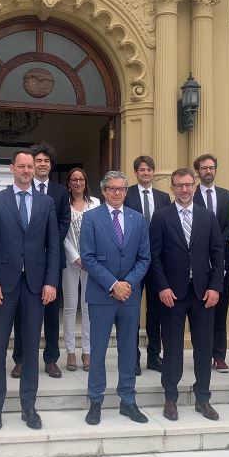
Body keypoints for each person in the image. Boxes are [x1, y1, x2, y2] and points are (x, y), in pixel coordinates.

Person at [0, 149, 59, 431]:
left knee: (30, 349)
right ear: (12, 168)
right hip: (3, 285)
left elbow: (53, 245)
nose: (27, 171)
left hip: (36, 287)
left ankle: (29, 407)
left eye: (30, 167)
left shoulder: (46, 202)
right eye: (22, 166)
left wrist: (51, 281)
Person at [149, 168, 224, 421]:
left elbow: (218, 255)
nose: (184, 189)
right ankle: (171, 397)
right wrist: (162, 287)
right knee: (172, 347)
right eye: (179, 185)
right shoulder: (161, 217)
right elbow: (154, 257)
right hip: (172, 293)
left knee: (204, 347)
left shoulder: (207, 216)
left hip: (203, 294)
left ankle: (203, 397)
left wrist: (215, 287)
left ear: (195, 187)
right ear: (172, 188)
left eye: (188, 185)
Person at [80, 171, 151, 426]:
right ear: (104, 191)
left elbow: (145, 258)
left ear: (126, 191)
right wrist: (113, 284)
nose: (117, 193)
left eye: (122, 189)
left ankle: (128, 400)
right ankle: (96, 399)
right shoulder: (91, 218)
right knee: (98, 350)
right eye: (112, 188)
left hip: (129, 296)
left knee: (128, 350)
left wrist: (127, 284)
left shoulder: (138, 219)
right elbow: (87, 257)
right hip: (101, 294)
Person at [12, 142, 70, 379]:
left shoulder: (59, 192)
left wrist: (49, 242)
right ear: (30, 165)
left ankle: (51, 358)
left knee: (51, 312)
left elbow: (64, 221)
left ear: (51, 165)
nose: (42, 164)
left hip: (52, 260)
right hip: (26, 263)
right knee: (22, 312)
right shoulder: (21, 191)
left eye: (46, 161)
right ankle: (21, 359)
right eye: (38, 161)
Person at [123, 155, 170, 374]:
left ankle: (154, 355)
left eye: (149, 170)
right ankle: (133, 358)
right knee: (132, 310)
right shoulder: (127, 194)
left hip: (157, 262)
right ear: (136, 173)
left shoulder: (163, 197)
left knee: (156, 312)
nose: (146, 173)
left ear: (153, 172)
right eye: (142, 170)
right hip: (132, 262)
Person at [193, 154, 229, 373]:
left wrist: (216, 242)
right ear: (198, 172)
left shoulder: (226, 196)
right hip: (197, 261)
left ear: (216, 170)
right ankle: (202, 353)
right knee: (200, 308)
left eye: (211, 167)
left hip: (221, 259)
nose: (208, 171)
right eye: (204, 168)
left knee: (220, 307)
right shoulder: (190, 195)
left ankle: (219, 356)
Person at [62, 167, 100, 372]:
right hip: (70, 262)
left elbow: (99, 232)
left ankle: (87, 351)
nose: (78, 183)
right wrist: (76, 257)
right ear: (69, 183)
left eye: (81, 179)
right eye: (74, 179)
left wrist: (88, 258)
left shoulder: (96, 203)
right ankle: (70, 352)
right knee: (70, 307)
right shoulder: (63, 204)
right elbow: (62, 235)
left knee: (87, 307)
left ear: (86, 182)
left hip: (91, 262)